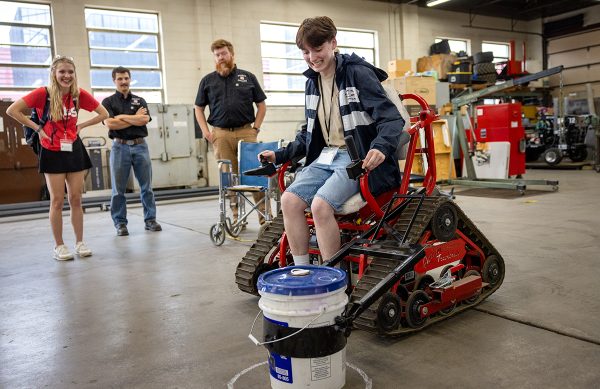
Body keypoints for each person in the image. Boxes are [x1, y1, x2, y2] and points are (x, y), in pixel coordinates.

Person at [259, 16, 404, 264]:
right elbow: (309, 132)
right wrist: (281, 154)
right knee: (289, 201)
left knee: (320, 206)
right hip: (325, 157)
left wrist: (380, 147)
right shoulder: (312, 83)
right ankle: (303, 271)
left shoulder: (358, 74)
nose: (312, 57)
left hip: (358, 159)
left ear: (333, 43)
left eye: (318, 49)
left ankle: (331, 277)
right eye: (305, 51)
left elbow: (391, 119)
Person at [7, 55, 109, 260]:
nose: (66, 75)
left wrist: (81, 126)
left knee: (76, 199)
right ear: (54, 73)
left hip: (73, 148)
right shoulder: (42, 94)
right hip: (51, 149)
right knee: (56, 200)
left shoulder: (78, 95)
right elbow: (12, 110)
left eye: (70, 72)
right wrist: (37, 128)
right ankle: (59, 246)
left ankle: (80, 242)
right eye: (62, 71)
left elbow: (103, 113)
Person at [194, 39, 270, 225]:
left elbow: (261, 105)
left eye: (224, 54)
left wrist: (256, 128)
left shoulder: (248, 77)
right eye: (217, 55)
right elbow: (198, 108)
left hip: (246, 132)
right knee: (228, 177)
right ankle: (236, 218)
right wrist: (206, 132)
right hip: (220, 134)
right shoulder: (208, 81)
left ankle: (264, 218)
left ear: (232, 54)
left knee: (255, 174)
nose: (221, 57)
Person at [102, 66, 162, 236]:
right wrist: (134, 119)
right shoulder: (108, 102)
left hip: (140, 145)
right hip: (119, 146)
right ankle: (120, 223)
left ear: (130, 79)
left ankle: (150, 220)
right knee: (118, 189)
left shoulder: (140, 100)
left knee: (146, 187)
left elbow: (144, 119)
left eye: (126, 78)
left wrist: (121, 117)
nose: (123, 82)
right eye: (120, 79)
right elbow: (110, 124)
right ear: (114, 81)